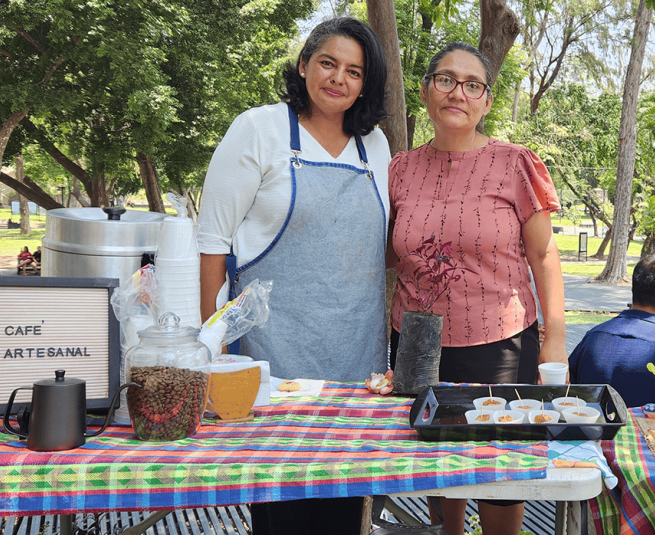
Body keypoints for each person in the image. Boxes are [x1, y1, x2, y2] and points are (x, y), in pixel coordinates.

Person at [197, 17, 390, 535]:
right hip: (272, 359)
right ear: (304, 64)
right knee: (281, 507)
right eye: (328, 63)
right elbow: (213, 245)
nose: (338, 79)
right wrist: (213, 349)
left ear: (365, 84)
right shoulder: (258, 129)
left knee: (344, 507)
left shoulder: (377, 147)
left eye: (354, 71)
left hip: (356, 362)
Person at [387, 42, 566, 535]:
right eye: (445, 80)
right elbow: (389, 255)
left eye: (472, 85)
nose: (457, 93)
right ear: (425, 92)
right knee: (434, 459)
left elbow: (544, 255)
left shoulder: (515, 164)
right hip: (416, 343)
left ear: (487, 101)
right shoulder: (399, 169)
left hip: (500, 343)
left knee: (497, 468)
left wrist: (555, 339)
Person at [568, 256, 655, 408]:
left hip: (590, 430)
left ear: (633, 291)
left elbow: (567, 394)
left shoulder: (592, 338)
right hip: (652, 432)